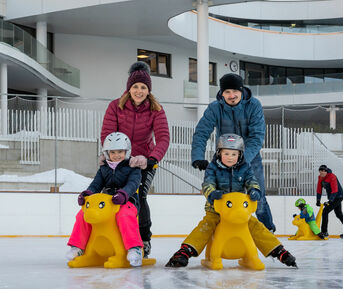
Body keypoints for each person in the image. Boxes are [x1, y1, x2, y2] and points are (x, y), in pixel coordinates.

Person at [166, 134, 296, 268]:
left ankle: (278, 250)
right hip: (216, 209)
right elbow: (207, 184)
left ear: (240, 155)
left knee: (255, 225)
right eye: (226, 153)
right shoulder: (213, 167)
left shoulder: (245, 167)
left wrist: (254, 190)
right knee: (206, 225)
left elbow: (252, 180)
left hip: (238, 210)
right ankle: (185, 251)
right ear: (219, 153)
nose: (230, 157)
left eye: (234, 154)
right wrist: (211, 193)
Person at [101, 61, 170, 257]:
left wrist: (151, 158)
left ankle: (144, 240)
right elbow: (107, 133)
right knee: (111, 195)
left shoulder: (156, 109)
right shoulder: (115, 106)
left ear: (148, 90)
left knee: (139, 197)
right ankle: (110, 237)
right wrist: (111, 155)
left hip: (144, 162)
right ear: (128, 88)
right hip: (120, 160)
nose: (139, 91)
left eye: (143, 87)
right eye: (135, 87)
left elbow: (163, 137)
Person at [191, 73, 275, 232]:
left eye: (235, 91)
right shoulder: (215, 108)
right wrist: (198, 158)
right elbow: (202, 132)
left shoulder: (253, 105)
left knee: (257, 195)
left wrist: (244, 159)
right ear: (221, 93)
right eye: (227, 92)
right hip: (224, 159)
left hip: (250, 158)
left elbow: (257, 136)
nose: (231, 95)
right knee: (221, 197)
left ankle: (268, 231)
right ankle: (222, 231)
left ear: (241, 90)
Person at [66, 132, 144, 266]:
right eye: (112, 152)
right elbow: (96, 184)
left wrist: (123, 194)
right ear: (107, 153)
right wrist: (87, 195)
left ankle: (134, 248)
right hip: (107, 202)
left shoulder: (133, 168)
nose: (116, 155)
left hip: (128, 201)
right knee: (83, 214)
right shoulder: (104, 168)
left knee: (124, 214)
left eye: (120, 151)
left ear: (127, 151)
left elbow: (133, 184)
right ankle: (78, 247)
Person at [316, 165, 343, 238]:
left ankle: (324, 232)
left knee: (325, 211)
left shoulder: (332, 176)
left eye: (323, 171)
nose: (321, 173)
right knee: (339, 214)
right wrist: (318, 200)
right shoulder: (320, 177)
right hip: (332, 197)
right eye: (320, 171)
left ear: (326, 171)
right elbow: (319, 189)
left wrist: (330, 201)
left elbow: (335, 190)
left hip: (338, 196)